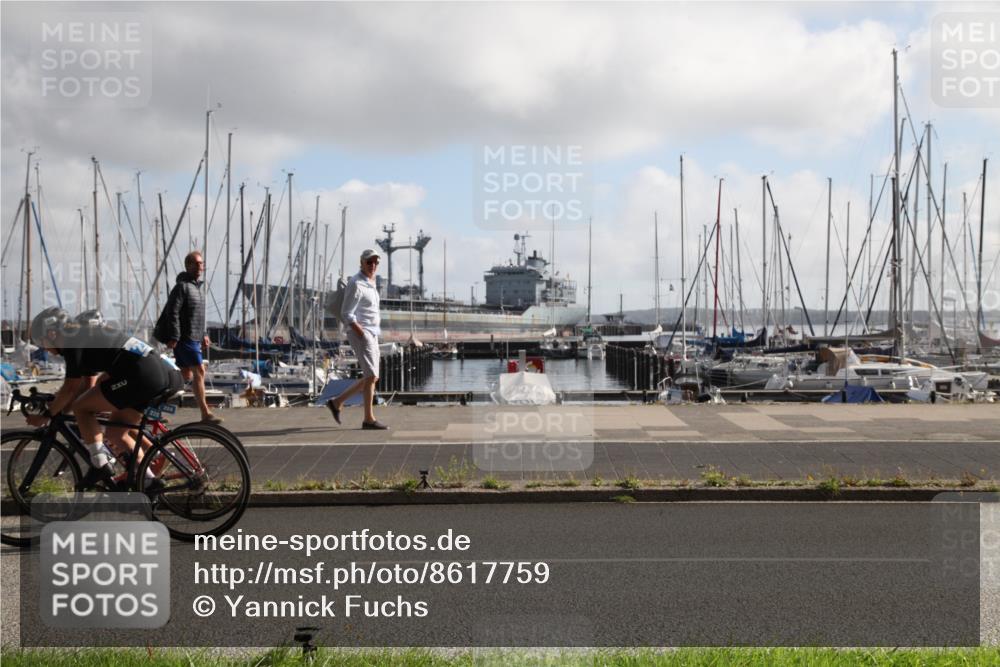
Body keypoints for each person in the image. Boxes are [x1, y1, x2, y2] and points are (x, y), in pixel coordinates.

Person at [27, 307, 184, 480]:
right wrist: (61, 407)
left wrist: (47, 415)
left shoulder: (71, 342)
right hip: (156, 373)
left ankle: (100, 463)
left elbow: (71, 388)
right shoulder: (84, 336)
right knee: (116, 433)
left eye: (42, 342)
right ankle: (147, 481)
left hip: (141, 376)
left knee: (82, 408)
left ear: (51, 334)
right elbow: (87, 386)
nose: (45, 348)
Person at [156, 250, 221, 423]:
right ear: (188, 265)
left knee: (184, 376)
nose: (201, 266)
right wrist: (175, 336)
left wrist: (204, 334)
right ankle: (205, 413)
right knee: (199, 370)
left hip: (194, 337)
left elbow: (199, 315)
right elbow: (173, 312)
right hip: (185, 338)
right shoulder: (182, 287)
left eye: (202, 263)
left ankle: (154, 407)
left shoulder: (198, 289)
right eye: (197, 263)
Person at [326, 249, 388, 429]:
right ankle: (368, 419)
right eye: (369, 262)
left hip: (372, 333)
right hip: (363, 333)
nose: (373, 265)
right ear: (361, 262)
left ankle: (337, 402)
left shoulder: (371, 282)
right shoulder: (356, 283)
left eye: (376, 262)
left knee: (372, 377)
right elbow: (347, 313)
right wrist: (362, 333)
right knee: (371, 376)